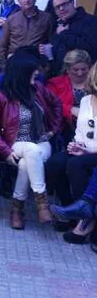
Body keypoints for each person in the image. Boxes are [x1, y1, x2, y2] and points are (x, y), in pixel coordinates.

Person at [0, 52, 62, 229]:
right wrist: (5, 150)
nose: (37, 74)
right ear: (21, 72)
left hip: (41, 142)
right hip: (14, 143)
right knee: (30, 152)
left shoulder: (39, 89)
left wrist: (53, 129)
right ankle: (42, 202)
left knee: (28, 161)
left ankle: (17, 208)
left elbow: (57, 104)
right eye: (33, 71)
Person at [46, 60, 97, 240]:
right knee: (55, 163)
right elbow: (81, 130)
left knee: (77, 164)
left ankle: (85, 217)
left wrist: (86, 151)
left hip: (93, 153)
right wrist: (76, 144)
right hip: (85, 150)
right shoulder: (85, 100)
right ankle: (71, 209)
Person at [0, 0, 53, 72]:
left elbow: (51, 43)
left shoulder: (46, 18)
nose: (27, 0)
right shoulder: (12, 19)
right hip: (14, 62)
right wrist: (4, 67)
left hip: (36, 63)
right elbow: (2, 45)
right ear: (19, 2)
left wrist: (46, 66)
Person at [45, 0, 97, 75]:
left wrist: (64, 33)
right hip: (59, 78)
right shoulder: (57, 25)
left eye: (64, 4)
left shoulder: (91, 21)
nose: (61, 9)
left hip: (82, 76)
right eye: (57, 7)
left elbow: (90, 47)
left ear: (72, 2)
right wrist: (47, 51)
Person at [46, 50, 92, 142]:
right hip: (67, 127)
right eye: (75, 70)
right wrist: (71, 110)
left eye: (84, 69)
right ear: (67, 69)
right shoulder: (55, 83)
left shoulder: (94, 81)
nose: (80, 73)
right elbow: (50, 104)